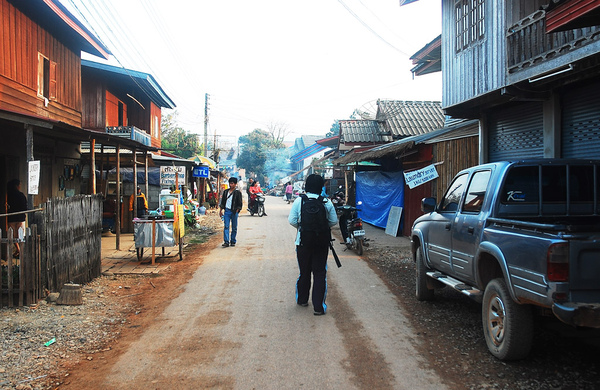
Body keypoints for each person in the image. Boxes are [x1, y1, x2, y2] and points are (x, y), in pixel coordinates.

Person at [288, 174, 337, 315]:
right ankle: (318, 307)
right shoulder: (326, 202)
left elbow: (292, 220)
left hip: (303, 242)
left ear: (307, 185)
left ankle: (302, 300)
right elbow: (333, 221)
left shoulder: (299, 201)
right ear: (321, 186)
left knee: (304, 272)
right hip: (321, 243)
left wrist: (302, 227)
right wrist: (320, 228)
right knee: (320, 273)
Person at [6, 179, 28, 258]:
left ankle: (18, 250)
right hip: (20, 217)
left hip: (11, 217)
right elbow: (25, 207)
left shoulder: (8, 195)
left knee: (12, 235)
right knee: (20, 235)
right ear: (16, 186)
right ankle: (20, 250)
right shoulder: (21, 195)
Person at [219, 177, 242, 247]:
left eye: (232, 183)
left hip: (234, 211)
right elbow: (222, 202)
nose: (230, 185)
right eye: (230, 183)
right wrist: (220, 210)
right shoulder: (225, 192)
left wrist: (237, 210)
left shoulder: (238, 193)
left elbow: (240, 203)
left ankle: (233, 240)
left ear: (235, 184)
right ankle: (226, 241)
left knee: (234, 227)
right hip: (227, 211)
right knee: (226, 226)